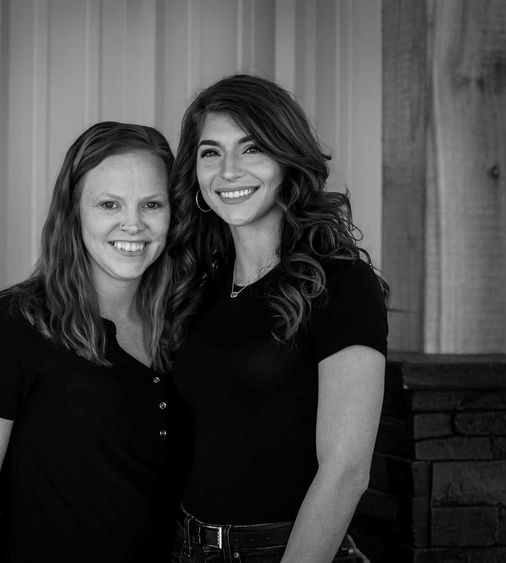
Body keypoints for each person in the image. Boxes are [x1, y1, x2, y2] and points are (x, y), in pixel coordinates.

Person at [166, 74, 389, 562]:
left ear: (287, 161)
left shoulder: (341, 283)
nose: (228, 171)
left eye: (251, 149)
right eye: (210, 152)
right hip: (189, 547)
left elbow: (346, 471)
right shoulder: (199, 291)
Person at [0, 121, 178, 562]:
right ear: (74, 212)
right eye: (109, 203)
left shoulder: (178, 321)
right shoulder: (18, 321)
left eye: (152, 204)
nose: (133, 224)